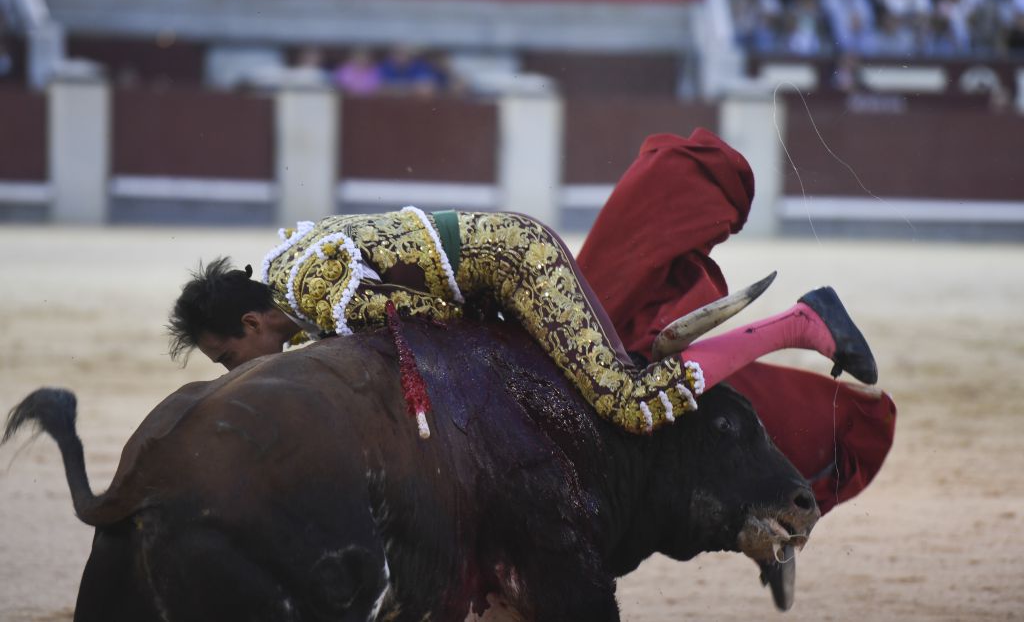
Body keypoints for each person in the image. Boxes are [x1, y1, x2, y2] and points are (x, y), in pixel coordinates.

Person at [170, 204, 877, 438]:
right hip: (499, 257)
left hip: (516, 265)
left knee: (628, 406)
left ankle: (802, 324)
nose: (235, 372)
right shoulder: (288, 266)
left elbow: (432, 324)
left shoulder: (318, 297)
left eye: (227, 355)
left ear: (256, 322)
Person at [574, 129, 895, 513]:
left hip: (584, 347)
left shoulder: (647, 205)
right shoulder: (653, 203)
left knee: (631, 381)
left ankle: (798, 323)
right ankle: (799, 323)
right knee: (626, 372)